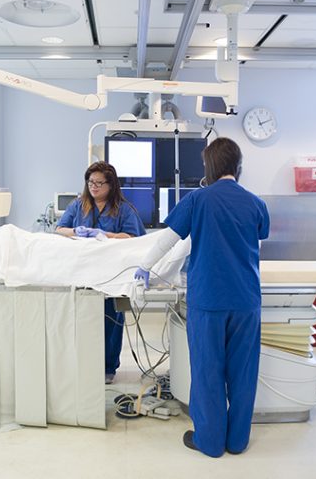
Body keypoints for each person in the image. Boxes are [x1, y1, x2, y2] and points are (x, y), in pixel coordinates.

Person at [134, 137, 269, 458]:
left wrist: (144, 267)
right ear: (238, 165)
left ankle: (209, 441)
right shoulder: (256, 203)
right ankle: (237, 440)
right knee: (243, 372)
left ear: (208, 166)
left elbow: (168, 239)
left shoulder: (199, 200)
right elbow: (256, 245)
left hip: (209, 300)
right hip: (246, 300)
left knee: (208, 371)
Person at [56, 161, 145, 384]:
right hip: (83, 273)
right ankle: (83, 364)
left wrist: (106, 235)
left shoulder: (124, 209)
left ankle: (107, 368)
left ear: (111, 185)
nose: (94, 187)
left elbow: (133, 237)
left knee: (111, 320)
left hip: (112, 275)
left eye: (99, 183)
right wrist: (76, 231)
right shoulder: (78, 205)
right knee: (83, 318)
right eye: (91, 182)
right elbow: (59, 229)